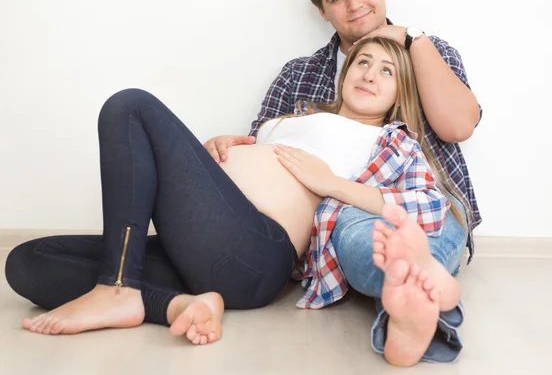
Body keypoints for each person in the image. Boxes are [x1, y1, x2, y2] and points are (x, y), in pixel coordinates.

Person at [4, 38, 454, 355]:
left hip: (255, 252)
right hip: (202, 245)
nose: (370, 74)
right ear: (344, 73)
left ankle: (116, 286)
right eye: (362, 62)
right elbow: (236, 173)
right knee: (27, 262)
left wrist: (333, 184)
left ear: (400, 93)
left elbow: (432, 207)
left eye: (386, 70)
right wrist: (209, 153)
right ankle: (177, 304)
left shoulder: (390, 142)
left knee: (130, 105)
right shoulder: (292, 119)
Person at [204, 0, 482, 365]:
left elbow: (458, 126)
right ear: (323, 11)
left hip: (427, 206)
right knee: (360, 237)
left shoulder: (430, 52)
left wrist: (412, 40)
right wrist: (223, 148)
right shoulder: (300, 75)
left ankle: (419, 294)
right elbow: (262, 151)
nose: (354, 5)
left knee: (410, 237)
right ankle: (411, 304)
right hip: (337, 219)